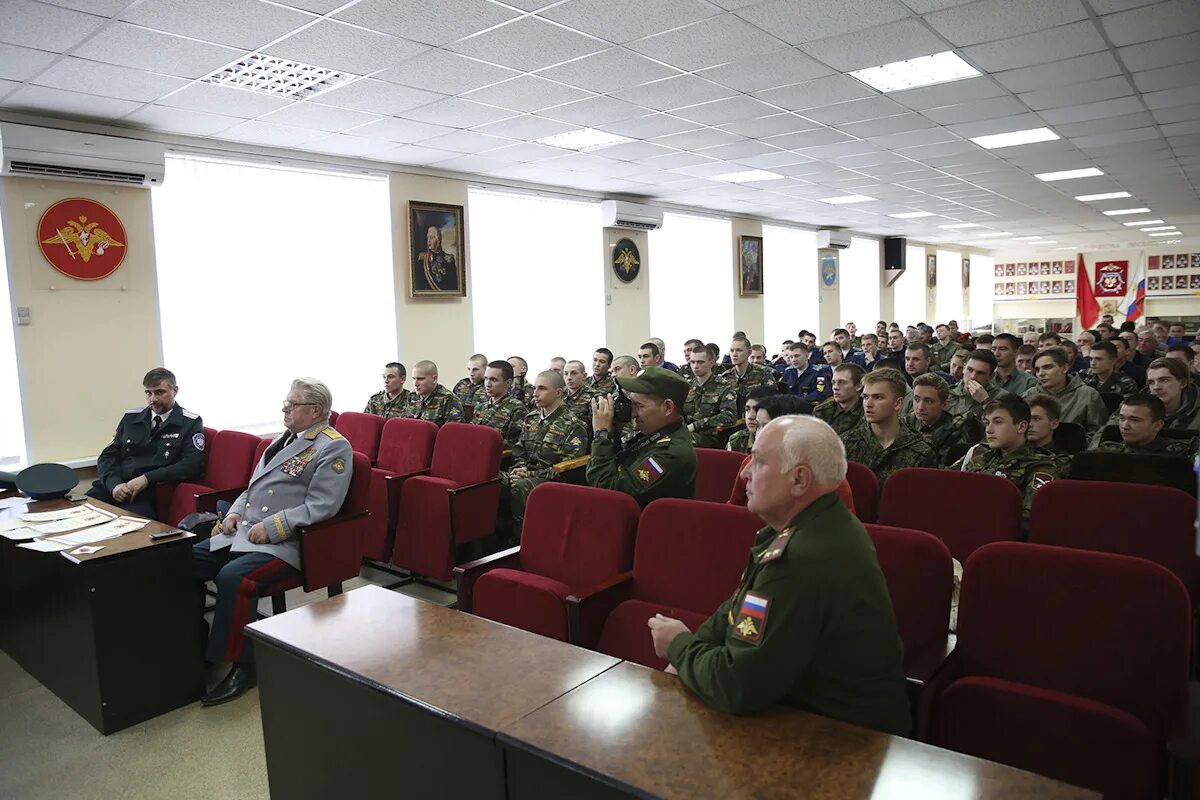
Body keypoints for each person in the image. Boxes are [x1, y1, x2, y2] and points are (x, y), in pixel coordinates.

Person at [647, 414, 910, 733]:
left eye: (758, 462)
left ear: (799, 480)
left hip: (839, 740)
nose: (744, 472)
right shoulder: (812, 524)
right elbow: (735, 610)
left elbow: (737, 686)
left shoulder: (802, 557)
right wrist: (691, 653)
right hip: (802, 715)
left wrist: (679, 645)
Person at [193, 378, 351, 706]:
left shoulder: (333, 446)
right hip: (246, 532)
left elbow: (323, 507)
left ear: (316, 410)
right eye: (287, 402)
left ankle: (244, 666)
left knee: (234, 578)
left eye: (292, 404)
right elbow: (252, 489)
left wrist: (273, 527)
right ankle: (197, 643)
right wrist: (235, 513)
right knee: (183, 557)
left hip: (287, 542)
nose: (284, 408)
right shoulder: (281, 440)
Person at [90, 368, 205, 519]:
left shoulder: (189, 422)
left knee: (134, 529)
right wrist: (114, 485)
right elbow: (107, 456)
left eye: (159, 392)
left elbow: (192, 464)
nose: (153, 399)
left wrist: (147, 479)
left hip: (148, 493)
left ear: (175, 391)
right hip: (116, 487)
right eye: (148, 393)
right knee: (78, 512)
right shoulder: (131, 418)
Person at [587, 367, 697, 505]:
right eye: (631, 404)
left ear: (667, 407)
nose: (633, 414)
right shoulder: (656, 433)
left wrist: (601, 435)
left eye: (639, 405)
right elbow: (619, 463)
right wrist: (615, 432)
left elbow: (609, 493)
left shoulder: (671, 454)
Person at [951, 394, 1060, 529]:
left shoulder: (1041, 465)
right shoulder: (979, 452)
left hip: (997, 534)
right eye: (987, 423)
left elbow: (1030, 519)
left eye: (998, 422)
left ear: (1021, 427)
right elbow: (945, 483)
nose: (989, 430)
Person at [501, 370, 588, 537]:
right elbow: (519, 450)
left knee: (520, 487)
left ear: (558, 393)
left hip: (551, 480)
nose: (535, 393)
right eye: (535, 388)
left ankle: (521, 541)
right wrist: (517, 469)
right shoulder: (531, 418)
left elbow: (566, 468)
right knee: (490, 480)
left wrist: (530, 474)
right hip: (525, 474)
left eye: (542, 388)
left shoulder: (573, 425)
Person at [841, 368, 937, 485]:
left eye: (878, 397)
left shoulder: (921, 452)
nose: (868, 404)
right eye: (866, 397)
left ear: (897, 403)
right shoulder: (846, 443)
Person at [1024, 348, 1107, 437]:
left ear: (1064, 368)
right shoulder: (1029, 395)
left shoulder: (1088, 395)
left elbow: (1097, 434)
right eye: (1037, 370)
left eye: (1047, 367)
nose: (1041, 373)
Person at [904, 373, 976, 467]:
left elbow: (941, 471)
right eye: (917, 399)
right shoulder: (907, 422)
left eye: (928, 401)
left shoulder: (955, 431)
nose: (920, 407)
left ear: (944, 404)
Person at [1097, 395, 1195, 457]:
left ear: (1157, 425)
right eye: (1122, 418)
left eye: (1134, 420)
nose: (1125, 426)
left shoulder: (1181, 454)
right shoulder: (1107, 451)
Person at [683, 346, 739, 448]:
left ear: (712, 362)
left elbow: (729, 416)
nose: (695, 366)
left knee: (681, 442)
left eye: (700, 362)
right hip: (686, 432)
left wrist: (697, 425)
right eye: (692, 362)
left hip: (711, 436)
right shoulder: (686, 386)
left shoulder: (724, 386)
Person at [470, 360, 528, 446]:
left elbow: (511, 444)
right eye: (486, 379)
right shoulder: (480, 407)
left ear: (508, 383)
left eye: (493, 380)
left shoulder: (517, 409)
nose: (488, 384)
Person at [946, 350, 1006, 419]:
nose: (973, 376)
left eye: (980, 373)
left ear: (991, 376)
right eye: (970, 369)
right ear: (964, 368)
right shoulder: (948, 394)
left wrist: (985, 401)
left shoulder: (1002, 398)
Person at [400, 360, 464, 425]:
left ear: (434, 379)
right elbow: (406, 423)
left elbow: (452, 431)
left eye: (420, 379)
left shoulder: (448, 399)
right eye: (414, 379)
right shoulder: (412, 396)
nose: (415, 384)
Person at [814, 363, 865, 436]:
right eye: (833, 383)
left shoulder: (868, 412)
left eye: (842, 382)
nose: (835, 387)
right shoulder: (822, 411)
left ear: (858, 386)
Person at [1026, 394, 1072, 471]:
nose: (1029, 424)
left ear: (1054, 424)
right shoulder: (1012, 452)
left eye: (1036, 419)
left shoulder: (1061, 461)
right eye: (1026, 418)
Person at [726, 335, 776, 406]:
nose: (734, 354)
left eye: (739, 350)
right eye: (732, 350)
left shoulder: (763, 372)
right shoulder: (726, 376)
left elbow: (773, 400)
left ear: (749, 353)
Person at [727, 386, 777, 454]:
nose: (750, 416)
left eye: (757, 410)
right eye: (747, 410)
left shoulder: (784, 441)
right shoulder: (737, 440)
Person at [414, 224, 457, 292]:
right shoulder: (422, 258)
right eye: (428, 238)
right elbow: (419, 284)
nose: (428, 241)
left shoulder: (449, 259)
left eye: (431, 238)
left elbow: (453, 286)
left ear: (438, 241)